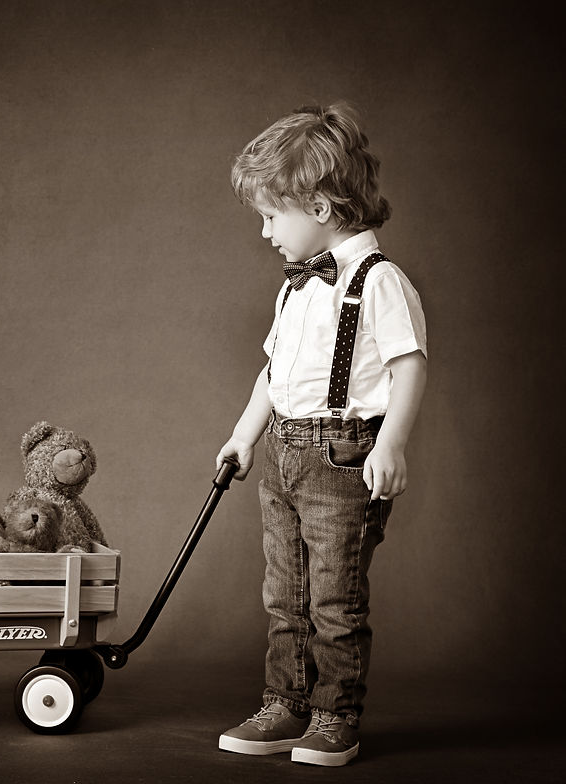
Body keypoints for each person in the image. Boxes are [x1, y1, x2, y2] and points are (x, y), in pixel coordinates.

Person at [216, 103, 427, 767]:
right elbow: (272, 374)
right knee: (284, 593)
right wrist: (244, 437)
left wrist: (391, 443)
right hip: (283, 450)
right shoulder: (296, 291)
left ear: (321, 206)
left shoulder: (380, 282)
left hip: (342, 456)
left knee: (335, 597)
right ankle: (286, 702)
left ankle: (336, 715)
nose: (264, 231)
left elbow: (410, 365)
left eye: (272, 215)